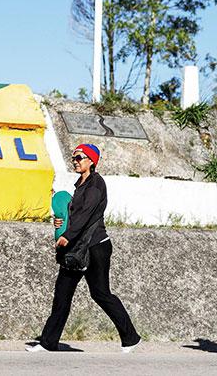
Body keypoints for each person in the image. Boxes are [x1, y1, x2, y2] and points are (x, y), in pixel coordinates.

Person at [28, 144, 141, 353]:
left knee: (101, 293)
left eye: (80, 157)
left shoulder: (96, 185)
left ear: (91, 160)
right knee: (62, 294)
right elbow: (73, 215)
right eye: (74, 158)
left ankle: (131, 337)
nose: (76, 161)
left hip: (95, 247)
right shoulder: (80, 184)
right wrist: (61, 223)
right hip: (77, 247)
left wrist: (66, 235)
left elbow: (85, 216)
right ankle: (48, 342)